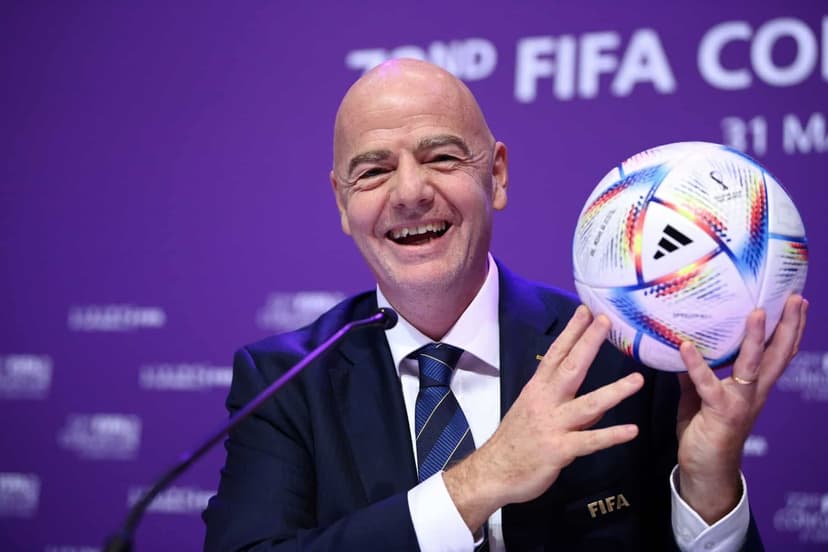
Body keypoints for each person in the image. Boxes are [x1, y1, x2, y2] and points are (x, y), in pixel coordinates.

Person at [202, 59, 808, 551]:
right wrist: (479, 482)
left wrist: (708, 489)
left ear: (496, 175)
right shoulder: (284, 382)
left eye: (441, 157)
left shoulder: (622, 350)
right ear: (342, 202)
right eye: (374, 171)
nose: (409, 192)